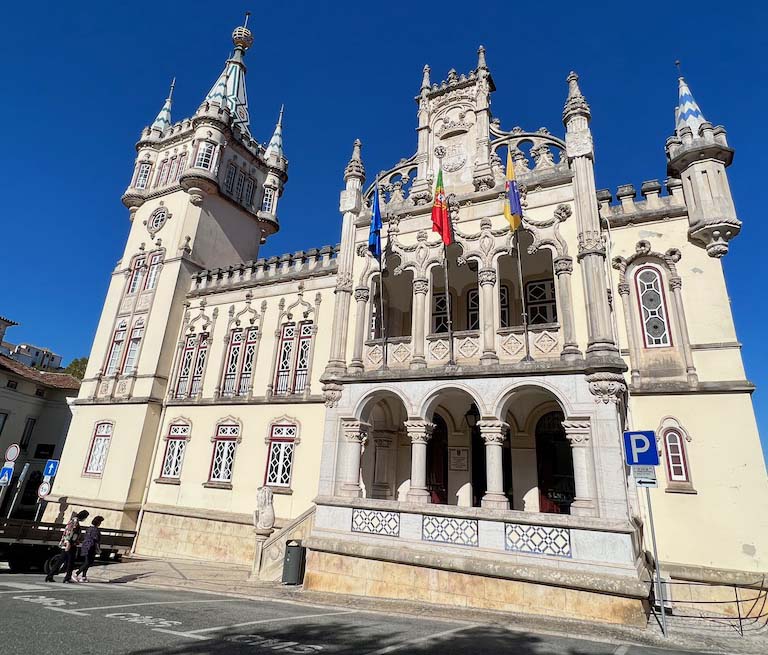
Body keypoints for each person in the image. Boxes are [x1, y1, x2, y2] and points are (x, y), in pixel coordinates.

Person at [45, 509, 89, 583]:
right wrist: (68, 542)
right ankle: (67, 578)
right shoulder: (75, 521)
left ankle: (50, 576)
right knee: (70, 562)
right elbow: (70, 532)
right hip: (70, 544)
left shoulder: (73, 520)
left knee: (60, 561)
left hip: (67, 544)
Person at [75, 516, 103, 582]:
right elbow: (96, 540)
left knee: (88, 562)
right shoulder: (95, 530)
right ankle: (76, 574)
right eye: (100, 522)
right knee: (88, 562)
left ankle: (83, 576)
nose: (100, 524)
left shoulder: (89, 528)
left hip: (86, 547)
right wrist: (98, 549)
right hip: (90, 547)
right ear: (98, 522)